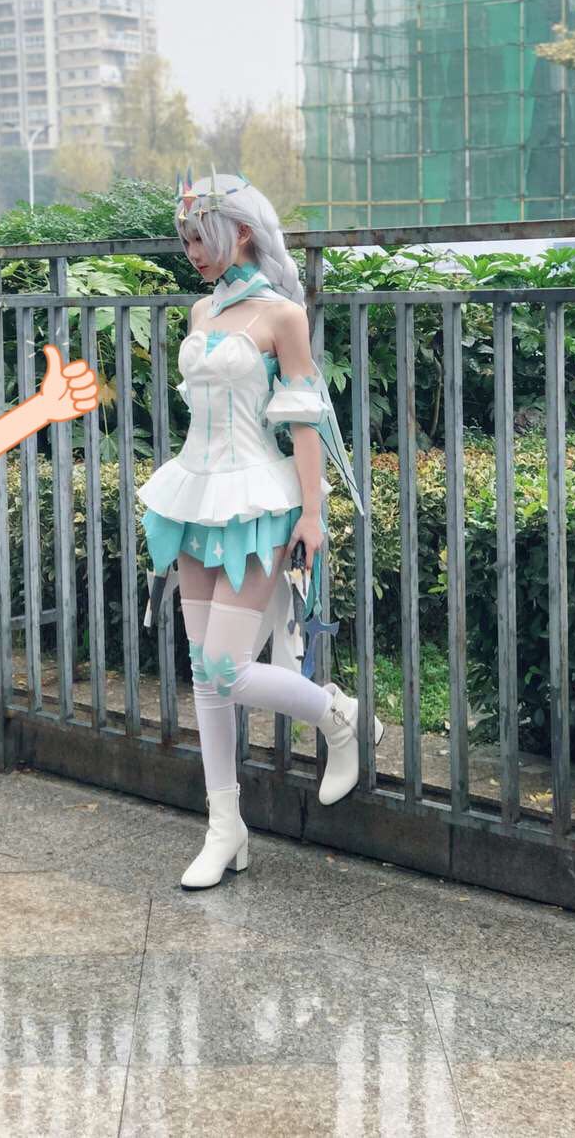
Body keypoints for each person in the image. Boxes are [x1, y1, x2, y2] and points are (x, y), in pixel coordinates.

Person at [138, 167, 383, 890]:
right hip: (195, 495)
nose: (192, 251)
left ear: (241, 232)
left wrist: (312, 511)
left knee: (226, 666)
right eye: (186, 239)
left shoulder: (282, 316)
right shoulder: (200, 312)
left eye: (201, 237)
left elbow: (305, 420)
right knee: (203, 671)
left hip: (257, 502)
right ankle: (226, 829)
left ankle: (338, 715)